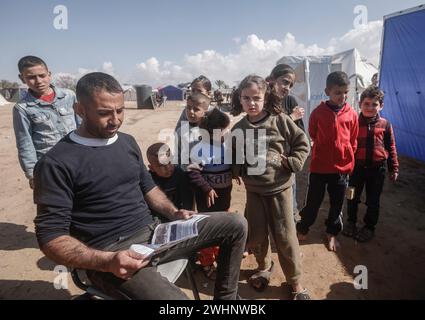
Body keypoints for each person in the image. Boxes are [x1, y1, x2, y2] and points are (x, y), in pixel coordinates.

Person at [33, 72, 247, 300]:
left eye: (120, 110)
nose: (115, 119)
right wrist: (106, 261)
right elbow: (51, 238)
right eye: (104, 113)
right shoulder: (56, 163)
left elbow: (149, 189)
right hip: (111, 254)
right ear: (80, 110)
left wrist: (174, 213)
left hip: (158, 235)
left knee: (236, 224)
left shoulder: (126, 142)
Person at [231, 74, 311, 300]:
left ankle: (295, 282)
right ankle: (264, 267)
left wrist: (291, 162)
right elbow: (236, 151)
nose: (251, 103)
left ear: (266, 98)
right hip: (254, 191)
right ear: (240, 99)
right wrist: (237, 170)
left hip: (280, 190)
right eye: (246, 98)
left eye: (256, 97)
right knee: (256, 235)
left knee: (285, 237)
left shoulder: (280, 120)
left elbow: (302, 143)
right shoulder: (240, 127)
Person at [296, 71, 359, 252]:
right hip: (319, 167)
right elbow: (313, 133)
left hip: (341, 169)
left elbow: (353, 139)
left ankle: (332, 232)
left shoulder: (352, 114)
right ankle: (303, 227)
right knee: (313, 201)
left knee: (337, 203)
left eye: (346, 92)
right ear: (327, 91)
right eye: (338, 92)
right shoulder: (318, 113)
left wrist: (347, 157)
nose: (343, 96)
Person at [12, 55, 80, 189]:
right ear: (22, 78)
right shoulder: (22, 108)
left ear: (49, 74)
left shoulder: (69, 96)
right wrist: (32, 174)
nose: (38, 81)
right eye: (31, 77)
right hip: (49, 166)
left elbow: (82, 125)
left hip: (77, 160)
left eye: (42, 75)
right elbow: (25, 143)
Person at [342, 86, 399, 242]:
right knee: (351, 196)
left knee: (373, 200)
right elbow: (346, 144)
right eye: (366, 103)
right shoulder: (353, 122)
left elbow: (391, 146)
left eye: (374, 104)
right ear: (360, 104)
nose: (370, 107)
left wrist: (393, 168)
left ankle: (369, 227)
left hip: (377, 170)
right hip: (355, 169)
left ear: (381, 106)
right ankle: (351, 222)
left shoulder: (385, 124)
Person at [187, 108, 233, 279]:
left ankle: (221, 256)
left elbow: (230, 164)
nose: (228, 131)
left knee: (224, 227)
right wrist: (207, 188)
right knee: (209, 231)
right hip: (207, 200)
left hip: (224, 197)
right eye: (225, 129)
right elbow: (193, 173)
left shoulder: (226, 144)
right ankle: (206, 262)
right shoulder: (200, 149)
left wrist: (235, 174)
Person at [267, 63, 306, 221]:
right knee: (268, 203)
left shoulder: (290, 101)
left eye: (291, 84)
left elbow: (299, 133)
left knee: (289, 200)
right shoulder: (262, 101)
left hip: (286, 161)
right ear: (271, 80)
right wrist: (291, 118)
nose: (287, 87)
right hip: (267, 161)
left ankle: (292, 216)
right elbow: (264, 132)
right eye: (284, 81)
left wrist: (293, 159)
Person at [146, 142, 194, 210]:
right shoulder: (149, 180)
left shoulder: (180, 174)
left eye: (170, 162)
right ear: (152, 168)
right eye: (162, 165)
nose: (168, 168)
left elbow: (187, 199)